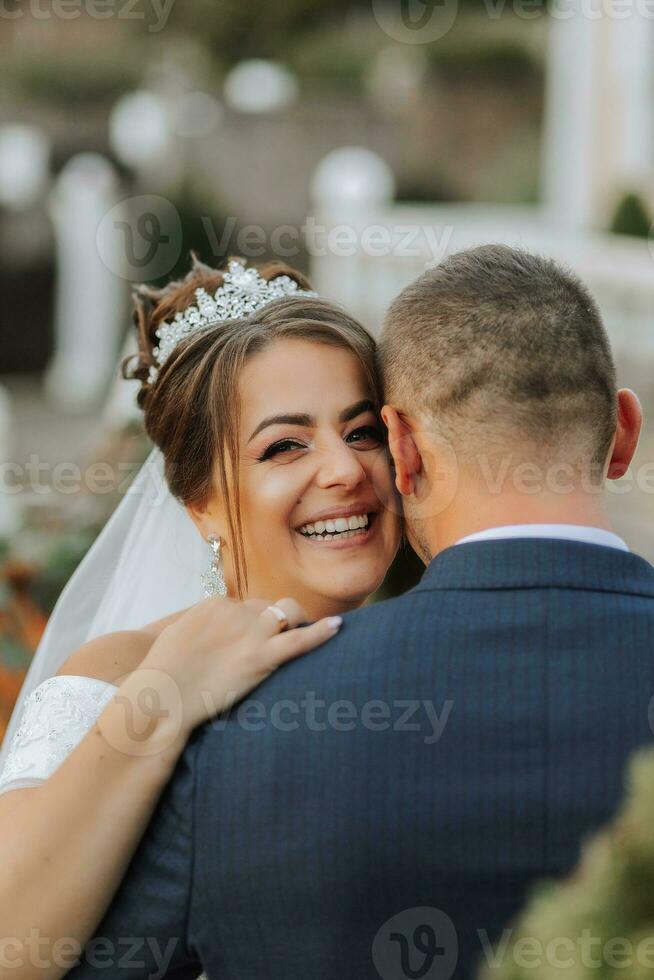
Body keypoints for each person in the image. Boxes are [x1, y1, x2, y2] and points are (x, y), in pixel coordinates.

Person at [0, 257, 402, 980]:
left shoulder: (425, 661)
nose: (344, 469)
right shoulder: (119, 670)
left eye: (363, 430)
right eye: (285, 445)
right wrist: (164, 703)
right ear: (202, 505)